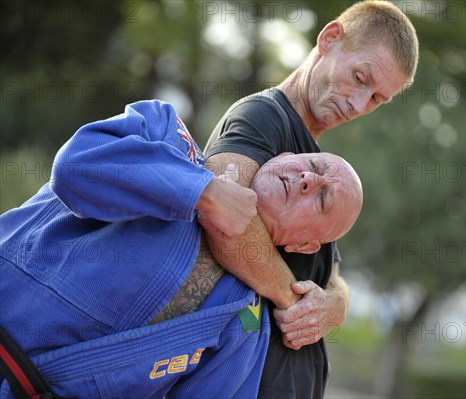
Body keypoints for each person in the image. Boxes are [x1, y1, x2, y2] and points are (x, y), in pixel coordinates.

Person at [0, 100, 363, 398]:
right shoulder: (167, 136)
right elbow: (74, 167)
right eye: (313, 165)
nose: (307, 179)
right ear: (283, 154)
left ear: (303, 245)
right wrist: (203, 191)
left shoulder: (247, 328)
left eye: (322, 198)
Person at [202, 1, 419, 397]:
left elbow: (329, 274)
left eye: (375, 99)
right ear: (330, 39)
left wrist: (333, 306)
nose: (358, 104)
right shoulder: (261, 117)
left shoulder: (318, 159)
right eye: (359, 77)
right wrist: (291, 299)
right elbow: (221, 215)